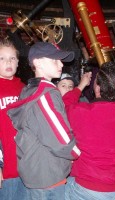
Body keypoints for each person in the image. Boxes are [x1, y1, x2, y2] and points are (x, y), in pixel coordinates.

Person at [7, 42, 81, 200]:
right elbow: (60, 138)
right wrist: (75, 153)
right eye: (54, 60)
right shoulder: (46, 94)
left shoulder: (29, 89)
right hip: (48, 174)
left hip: (35, 169)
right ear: (37, 62)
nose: (61, 64)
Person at [63, 59, 115, 200]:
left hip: (89, 187)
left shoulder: (81, 112)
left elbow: (63, 105)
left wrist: (80, 86)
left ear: (98, 88)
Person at [0, 39, 27, 200]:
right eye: (1, 58)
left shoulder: (25, 89)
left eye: (12, 58)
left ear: (18, 62)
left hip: (27, 169)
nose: (8, 62)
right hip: (5, 169)